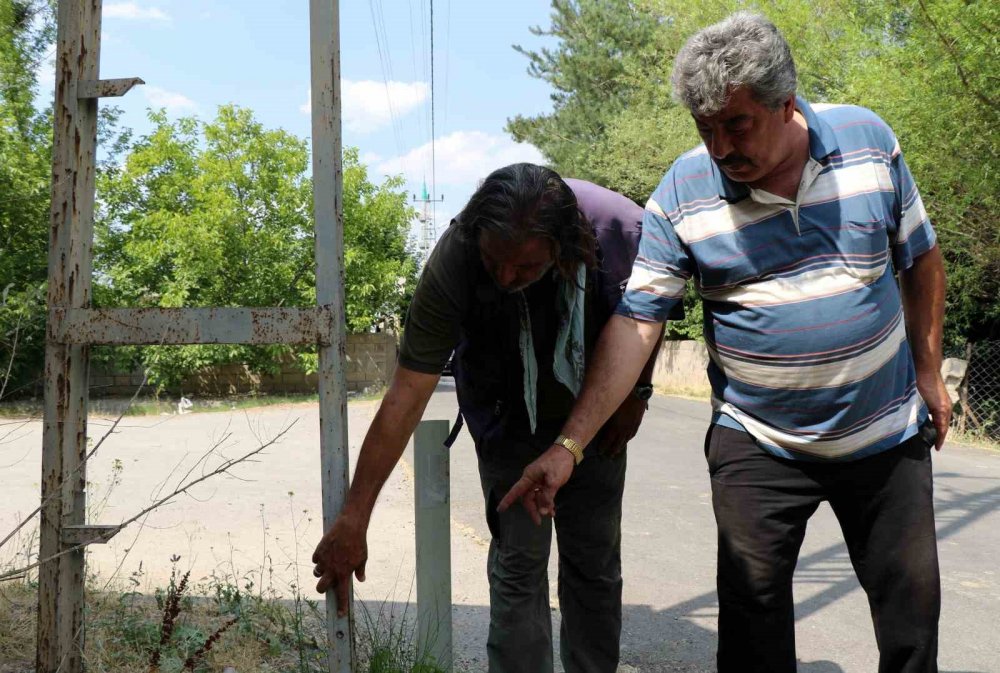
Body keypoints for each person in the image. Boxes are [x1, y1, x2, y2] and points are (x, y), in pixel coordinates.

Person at [500, 13, 949, 673]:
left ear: (786, 103)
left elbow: (922, 259)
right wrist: (570, 444)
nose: (718, 147)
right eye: (703, 128)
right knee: (751, 638)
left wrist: (930, 372)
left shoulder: (867, 141)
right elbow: (636, 322)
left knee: (912, 628)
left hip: (883, 433)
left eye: (735, 125)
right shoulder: (683, 191)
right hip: (757, 443)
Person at [312, 163, 663, 673]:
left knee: (594, 566)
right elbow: (407, 393)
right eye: (494, 261)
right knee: (519, 564)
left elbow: (647, 322)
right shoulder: (456, 257)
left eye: (524, 268)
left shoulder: (620, 233)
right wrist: (355, 515)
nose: (505, 277)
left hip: (597, 418)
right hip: (507, 420)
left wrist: (639, 394)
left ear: (563, 248)